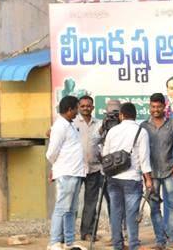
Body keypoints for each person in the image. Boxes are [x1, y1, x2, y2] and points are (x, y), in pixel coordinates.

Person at [101, 102, 151, 250]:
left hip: (113, 178)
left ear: (122, 115)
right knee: (131, 214)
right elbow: (144, 159)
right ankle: (133, 245)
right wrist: (148, 179)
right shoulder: (141, 132)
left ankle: (118, 245)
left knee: (116, 213)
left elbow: (105, 155)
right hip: (131, 179)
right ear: (135, 116)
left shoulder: (112, 131)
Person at [141, 93, 173, 249]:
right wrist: (145, 176)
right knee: (154, 207)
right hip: (152, 174)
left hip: (170, 171)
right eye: (153, 107)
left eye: (159, 106)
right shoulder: (144, 126)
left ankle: (172, 239)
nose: (156, 109)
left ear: (164, 107)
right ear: (149, 107)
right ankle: (159, 240)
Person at [47, 96, 86, 250]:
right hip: (66, 173)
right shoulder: (59, 126)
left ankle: (69, 242)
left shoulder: (69, 125)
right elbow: (51, 153)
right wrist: (57, 167)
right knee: (62, 208)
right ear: (70, 109)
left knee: (72, 209)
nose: (77, 112)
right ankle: (54, 242)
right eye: (76, 108)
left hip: (76, 172)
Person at [72, 96, 102, 242]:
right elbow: (50, 133)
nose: (85, 108)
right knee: (72, 202)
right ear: (78, 107)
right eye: (82, 106)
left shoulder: (99, 124)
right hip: (75, 169)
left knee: (91, 202)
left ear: (93, 107)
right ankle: (67, 233)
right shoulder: (71, 123)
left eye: (88, 106)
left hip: (94, 168)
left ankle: (88, 233)